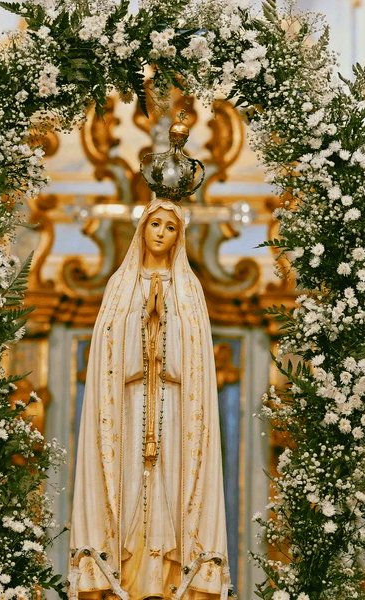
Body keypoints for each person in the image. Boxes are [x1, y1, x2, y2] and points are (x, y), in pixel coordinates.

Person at [70, 199, 229, 600]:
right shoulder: (120, 285)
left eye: (170, 227)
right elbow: (108, 352)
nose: (161, 233)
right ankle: (121, 579)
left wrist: (166, 322)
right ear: (142, 229)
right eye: (155, 224)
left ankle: (172, 581)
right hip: (126, 408)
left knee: (170, 488)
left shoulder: (189, 289)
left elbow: (194, 362)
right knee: (127, 488)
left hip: (176, 410)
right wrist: (143, 322)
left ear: (179, 237)